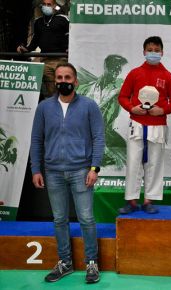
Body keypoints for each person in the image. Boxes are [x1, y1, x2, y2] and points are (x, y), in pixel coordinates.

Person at [30, 62, 105, 284]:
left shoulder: (89, 106)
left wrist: (94, 167)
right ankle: (65, 263)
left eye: (68, 78)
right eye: (60, 78)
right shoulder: (44, 108)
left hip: (81, 170)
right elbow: (36, 140)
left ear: (76, 81)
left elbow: (98, 138)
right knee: (60, 219)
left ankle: (92, 263)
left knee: (87, 219)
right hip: (52, 172)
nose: (63, 81)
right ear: (55, 82)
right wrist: (36, 169)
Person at [118, 36, 171, 214]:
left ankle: (149, 200)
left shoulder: (167, 76)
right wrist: (132, 108)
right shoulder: (135, 73)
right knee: (134, 162)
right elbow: (122, 96)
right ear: (144, 52)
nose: (153, 53)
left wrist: (163, 110)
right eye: (150, 50)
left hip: (157, 125)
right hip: (137, 124)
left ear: (162, 52)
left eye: (156, 50)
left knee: (154, 163)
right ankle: (131, 200)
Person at [77, 54, 129, 169]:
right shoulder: (86, 88)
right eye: (115, 66)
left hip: (107, 137)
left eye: (120, 67)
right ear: (106, 66)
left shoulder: (121, 85)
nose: (118, 70)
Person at [17, 0, 69, 97]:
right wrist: (26, 49)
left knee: (64, 88)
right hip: (46, 61)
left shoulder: (63, 19)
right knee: (51, 91)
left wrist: (69, 48)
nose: (46, 6)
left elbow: (70, 36)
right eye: (44, 4)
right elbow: (35, 40)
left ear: (54, 6)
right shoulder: (38, 22)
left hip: (61, 60)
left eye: (49, 4)